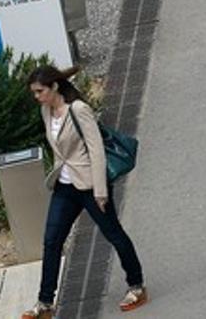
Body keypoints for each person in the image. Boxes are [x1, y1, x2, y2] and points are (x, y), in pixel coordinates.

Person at [22, 64, 147, 318]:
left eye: (39, 91)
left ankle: (137, 286)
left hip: (90, 185)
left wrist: (101, 190)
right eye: (34, 93)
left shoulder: (79, 110)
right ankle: (45, 303)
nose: (37, 97)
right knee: (52, 241)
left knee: (114, 234)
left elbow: (97, 149)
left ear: (54, 87)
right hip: (65, 186)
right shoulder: (46, 111)